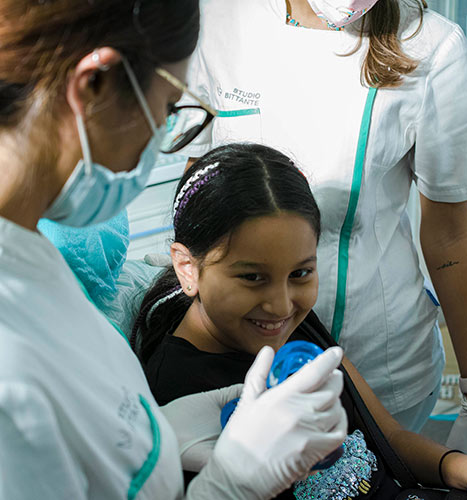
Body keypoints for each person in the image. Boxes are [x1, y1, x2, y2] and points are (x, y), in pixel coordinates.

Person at [0, 1, 348, 498]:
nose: (162, 136)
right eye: (166, 110)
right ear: (94, 85)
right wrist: (230, 486)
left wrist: (162, 432)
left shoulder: (27, 254)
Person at [173, 0, 467, 459]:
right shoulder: (219, 19)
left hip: (380, 364)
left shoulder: (431, 46)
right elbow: (198, 188)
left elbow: (450, 235)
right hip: (235, 362)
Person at [132, 142, 467, 499]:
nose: (280, 306)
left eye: (301, 273)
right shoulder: (177, 393)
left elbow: (387, 436)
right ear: (186, 267)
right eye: (252, 278)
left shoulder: (293, 327)